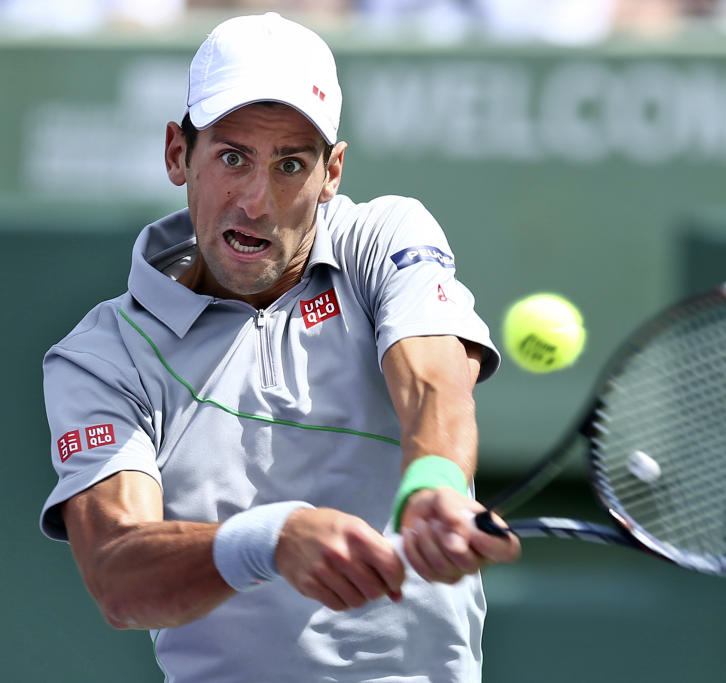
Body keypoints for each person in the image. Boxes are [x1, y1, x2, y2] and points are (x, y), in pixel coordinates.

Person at [39, 12, 520, 682]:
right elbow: (119, 575)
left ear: (333, 173)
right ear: (179, 153)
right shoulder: (101, 357)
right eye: (232, 157)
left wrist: (434, 480)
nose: (257, 202)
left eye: (291, 164)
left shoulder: (380, 238)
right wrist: (270, 539)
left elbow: (434, 375)